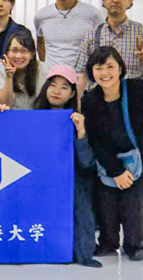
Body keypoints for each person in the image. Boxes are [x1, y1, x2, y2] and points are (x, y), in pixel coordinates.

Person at [82, 47, 143, 261]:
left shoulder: (137, 89)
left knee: (132, 201)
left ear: (121, 68)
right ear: (91, 72)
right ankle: (108, 242)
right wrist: (116, 171)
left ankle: (134, 245)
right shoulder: (90, 101)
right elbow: (96, 142)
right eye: (99, 67)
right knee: (106, 200)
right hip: (110, 159)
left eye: (110, 66)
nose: (105, 72)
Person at [33, 65, 101, 268]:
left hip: (74, 179)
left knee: (82, 212)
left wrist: (81, 133)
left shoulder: (78, 119)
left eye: (64, 87)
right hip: (42, 180)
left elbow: (87, 162)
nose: (56, 91)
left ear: (72, 92)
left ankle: (83, 253)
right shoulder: (32, 118)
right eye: (52, 85)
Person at [75, 0, 143, 97]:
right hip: (101, 99)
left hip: (134, 98)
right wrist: (77, 103)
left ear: (130, 1)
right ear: (103, 1)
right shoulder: (91, 36)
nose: (116, 0)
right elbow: (82, 73)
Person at [34, 0, 104, 68]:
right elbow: (41, 43)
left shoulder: (93, 14)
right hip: (52, 78)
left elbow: (102, 46)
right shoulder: (41, 15)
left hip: (81, 78)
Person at [0, 27, 49, 109]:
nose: (18, 56)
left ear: (32, 54)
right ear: (7, 52)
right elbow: (5, 104)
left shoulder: (43, 70)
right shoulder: (2, 67)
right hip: (10, 116)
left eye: (24, 51)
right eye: (14, 50)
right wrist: (9, 76)